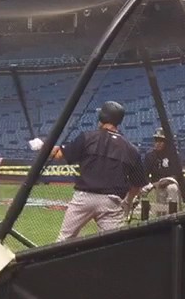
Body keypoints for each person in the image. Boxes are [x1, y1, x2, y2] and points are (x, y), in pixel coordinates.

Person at [32, 101, 147, 241]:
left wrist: (42, 146)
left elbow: (59, 155)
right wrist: (127, 202)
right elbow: (137, 184)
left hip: (84, 199)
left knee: (64, 240)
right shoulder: (130, 149)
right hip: (110, 201)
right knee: (114, 244)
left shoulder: (87, 137)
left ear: (102, 117)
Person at [144, 129, 181, 218]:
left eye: (161, 141)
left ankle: (173, 216)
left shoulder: (173, 155)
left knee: (172, 188)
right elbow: (145, 174)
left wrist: (162, 182)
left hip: (170, 183)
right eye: (156, 140)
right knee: (161, 211)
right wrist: (150, 185)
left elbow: (176, 174)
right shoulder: (150, 156)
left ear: (166, 142)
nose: (158, 143)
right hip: (157, 186)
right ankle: (160, 218)